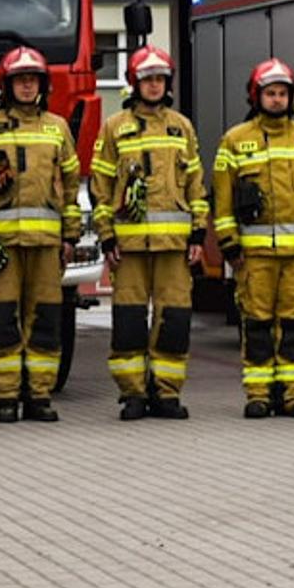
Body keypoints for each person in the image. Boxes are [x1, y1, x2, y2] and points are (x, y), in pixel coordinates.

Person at [0, 46, 82, 423]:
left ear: (43, 86)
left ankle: (39, 395)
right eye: (20, 81)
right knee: (3, 320)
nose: (27, 87)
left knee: (45, 320)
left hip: (46, 245)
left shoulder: (58, 127)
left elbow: (72, 186)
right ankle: (7, 395)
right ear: (7, 85)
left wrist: (70, 237)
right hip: (2, 247)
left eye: (33, 81)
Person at [212, 59, 294, 419]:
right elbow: (221, 200)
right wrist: (229, 245)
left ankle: (292, 395)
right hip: (253, 256)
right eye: (271, 93)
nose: (277, 99)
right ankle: (258, 395)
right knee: (257, 324)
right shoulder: (235, 141)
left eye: (283, 93)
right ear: (257, 96)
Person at [91, 45, 208, 421]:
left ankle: (167, 394)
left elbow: (195, 184)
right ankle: (134, 395)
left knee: (174, 319)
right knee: (128, 322)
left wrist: (197, 234)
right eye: (147, 79)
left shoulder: (181, 127)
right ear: (134, 84)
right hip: (129, 246)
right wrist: (107, 236)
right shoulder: (114, 128)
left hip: (174, 245)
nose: (154, 85)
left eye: (159, 79)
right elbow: (101, 186)